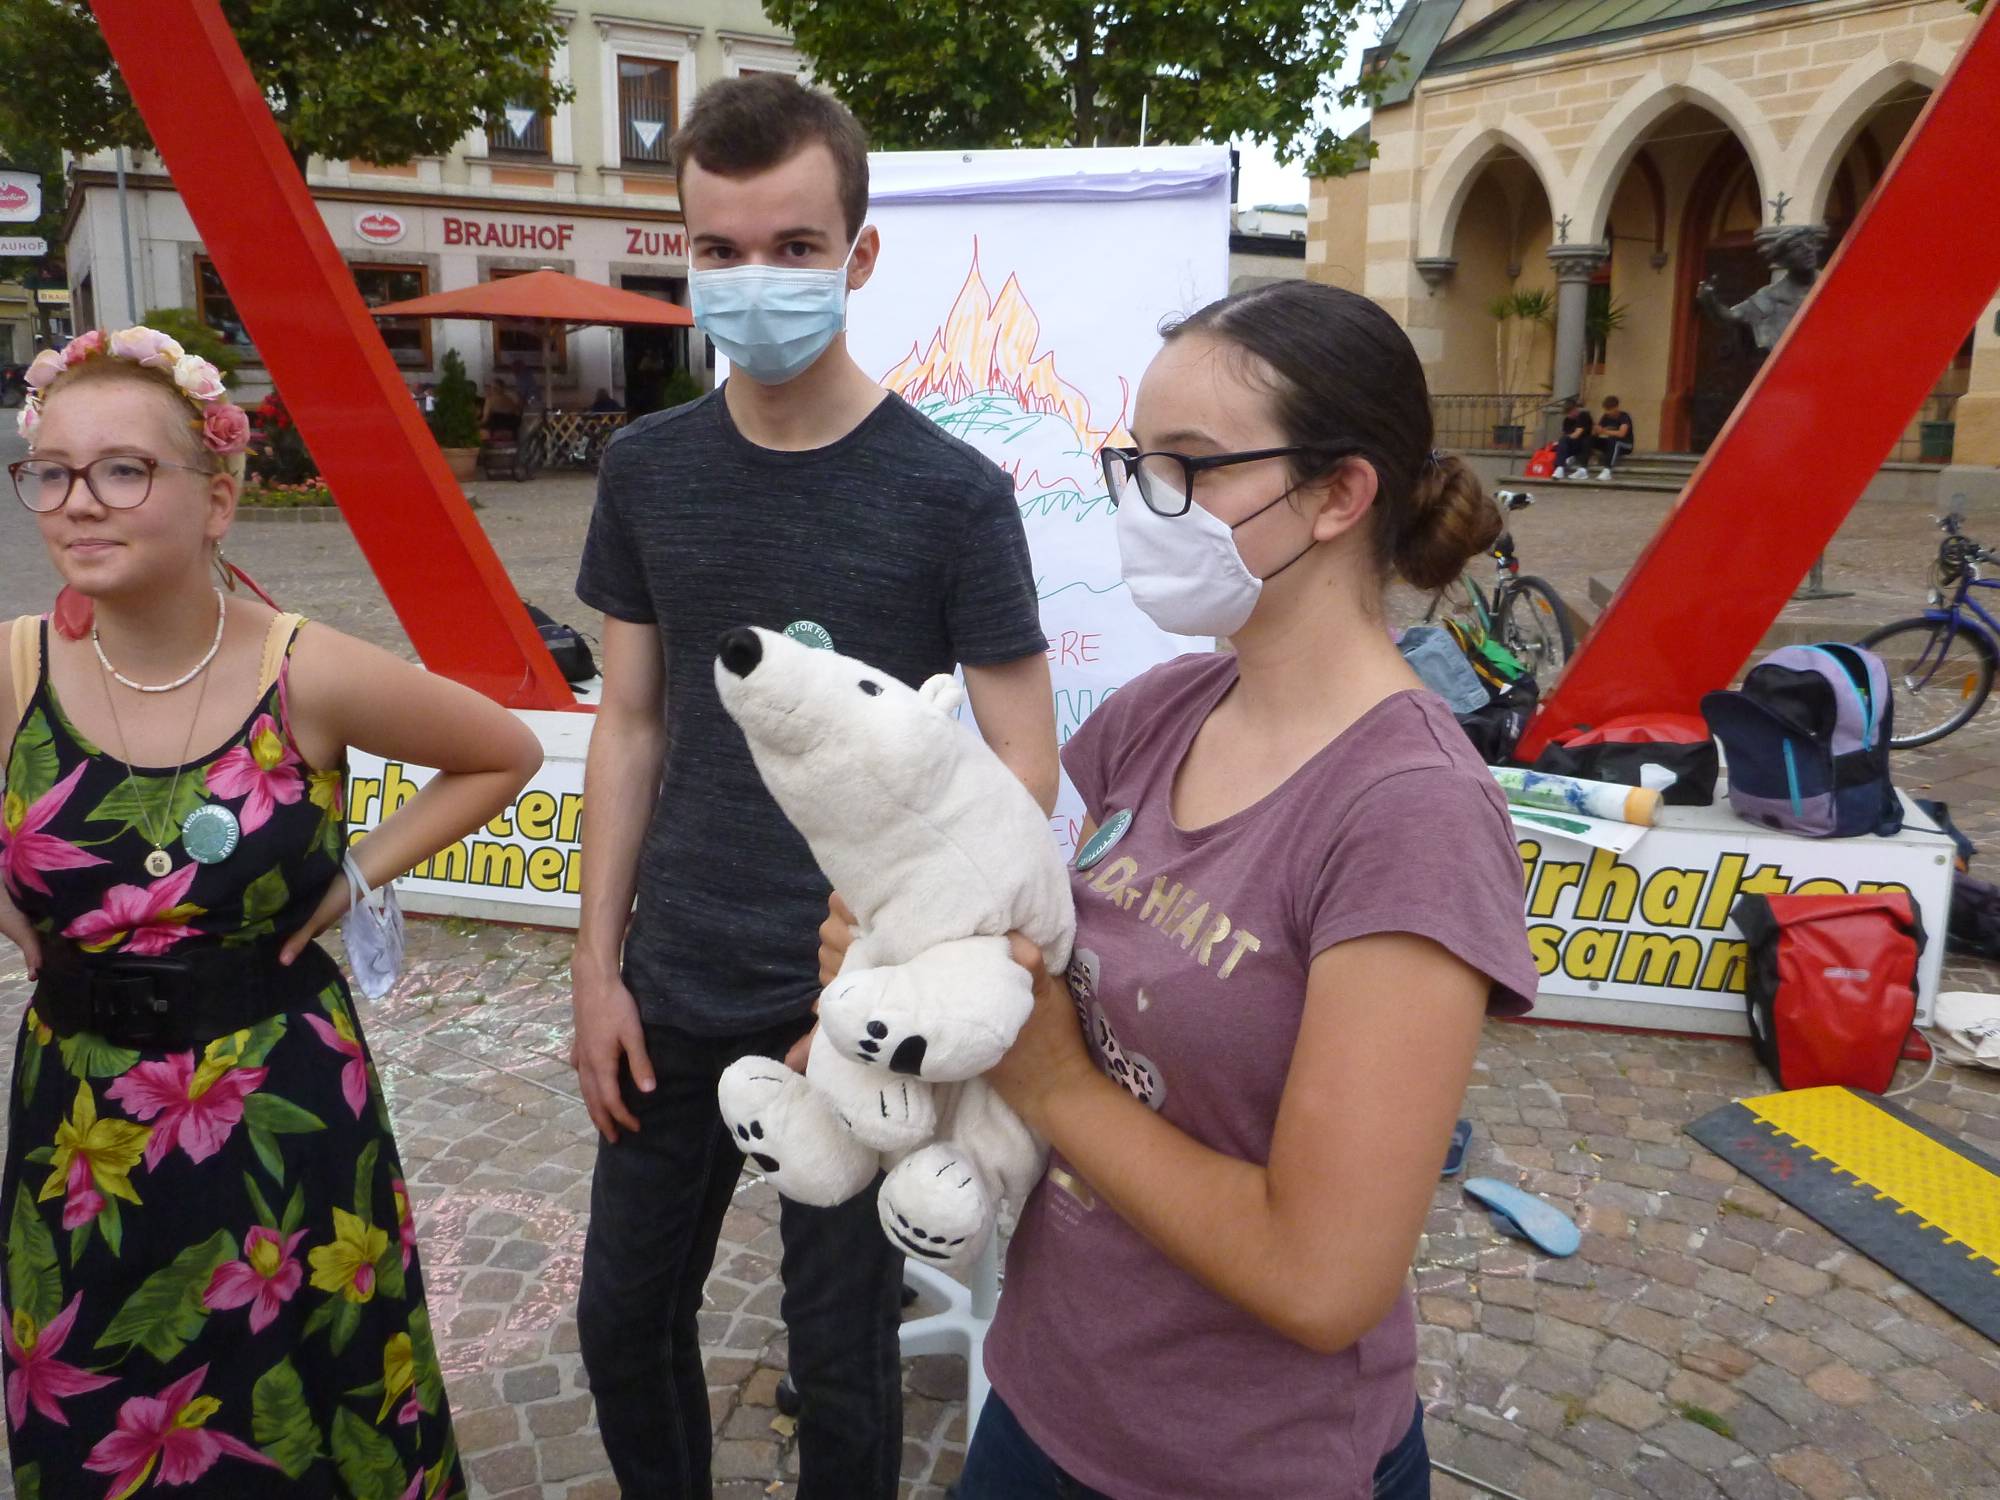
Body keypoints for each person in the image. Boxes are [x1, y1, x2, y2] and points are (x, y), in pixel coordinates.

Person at [824, 281, 1539, 1499]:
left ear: (1337, 495)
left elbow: (1321, 1279)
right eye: (1136, 459)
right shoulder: (1161, 714)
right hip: (1045, 1399)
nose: (1145, 501)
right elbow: (1027, 959)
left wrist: (1048, 1079)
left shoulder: (1409, 816)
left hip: (1243, 1462)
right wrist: (913, 954)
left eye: (1192, 466)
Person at [568, 75, 1057, 1498]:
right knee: (621, 1320)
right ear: (683, 250)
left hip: (857, 1013)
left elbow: (1021, 768)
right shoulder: (647, 469)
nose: (754, 279)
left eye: (792, 247)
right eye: (718, 250)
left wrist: (901, 980)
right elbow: (632, 729)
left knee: (841, 1362)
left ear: (860, 253)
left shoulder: (953, 495)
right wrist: (597, 966)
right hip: (669, 985)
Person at [0, 326, 543, 1497]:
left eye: (123, 469)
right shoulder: (11, 671)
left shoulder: (307, 671)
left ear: (220, 496)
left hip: (283, 1119)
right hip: (82, 1136)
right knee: (105, 1430)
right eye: (49, 470)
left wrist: (352, 879)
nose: (77, 502)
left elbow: (501, 752)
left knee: (315, 1421)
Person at [1594, 395, 1635, 479]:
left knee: (1613, 440)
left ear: (1616, 407)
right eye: (1606, 410)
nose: (1608, 412)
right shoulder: (1605, 417)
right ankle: (1583, 465)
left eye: (1610, 410)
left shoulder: (1624, 416)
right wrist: (1596, 430)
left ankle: (1607, 470)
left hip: (1625, 444)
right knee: (1591, 439)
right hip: (1610, 443)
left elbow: (1622, 434)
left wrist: (1605, 431)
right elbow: (1599, 430)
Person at [1553, 398, 1593, 479]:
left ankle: (1582, 470)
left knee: (1585, 440)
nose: (1568, 415)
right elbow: (1565, 434)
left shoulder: (1583, 416)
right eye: (1567, 413)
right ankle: (1560, 467)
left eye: (1569, 412)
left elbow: (1577, 434)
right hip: (1573, 446)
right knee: (1561, 442)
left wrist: (1566, 438)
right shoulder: (1567, 420)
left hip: (1583, 444)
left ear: (1575, 409)